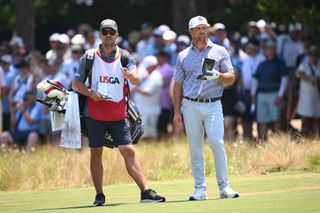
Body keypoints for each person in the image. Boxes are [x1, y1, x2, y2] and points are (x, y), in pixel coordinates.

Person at [72, 19, 165, 206]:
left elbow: (137, 79)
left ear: (117, 35)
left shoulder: (125, 56)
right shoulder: (89, 56)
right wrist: (91, 93)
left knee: (128, 151)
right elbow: (76, 84)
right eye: (104, 32)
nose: (108, 35)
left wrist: (130, 75)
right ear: (100, 34)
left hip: (118, 114)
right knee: (96, 153)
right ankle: (99, 195)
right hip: (95, 113)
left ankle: (145, 192)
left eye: (111, 32)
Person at [172, 15, 239, 200]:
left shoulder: (220, 51)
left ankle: (224, 187)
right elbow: (177, 84)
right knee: (195, 149)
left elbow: (231, 78)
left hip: (213, 104)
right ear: (191, 31)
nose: (202, 31)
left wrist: (218, 75)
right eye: (198, 28)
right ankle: (200, 189)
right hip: (190, 105)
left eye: (204, 28)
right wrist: (177, 111)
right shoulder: (183, 55)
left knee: (217, 143)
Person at [251, 39, 288, 141]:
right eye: (267, 49)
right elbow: (255, 80)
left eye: (272, 48)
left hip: (274, 94)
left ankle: (279, 145)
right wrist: (253, 94)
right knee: (261, 121)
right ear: (265, 50)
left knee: (276, 121)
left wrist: (280, 95)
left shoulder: (280, 63)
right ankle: (262, 144)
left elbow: (285, 80)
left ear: (275, 50)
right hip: (261, 95)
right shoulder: (262, 64)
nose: (269, 51)